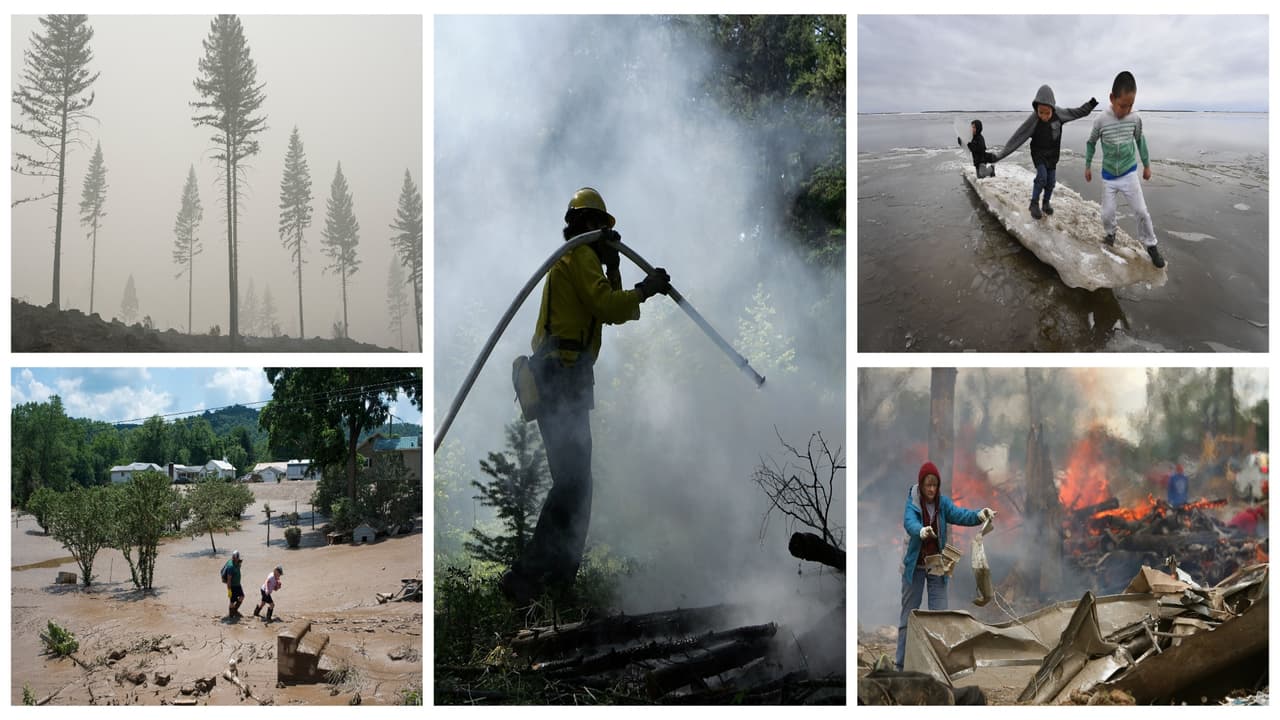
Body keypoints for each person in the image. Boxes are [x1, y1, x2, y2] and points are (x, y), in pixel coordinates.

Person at [499, 187, 671, 605]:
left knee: (579, 485)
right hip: (560, 377)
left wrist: (613, 267)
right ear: (585, 225)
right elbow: (610, 307)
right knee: (573, 482)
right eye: (599, 226)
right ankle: (526, 578)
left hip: (569, 379)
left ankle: (558, 583)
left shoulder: (586, 260)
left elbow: (605, 310)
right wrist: (645, 288)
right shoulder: (576, 257)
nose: (603, 233)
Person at [896, 461, 993, 670]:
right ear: (920, 485)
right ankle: (900, 666)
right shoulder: (912, 503)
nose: (931, 489)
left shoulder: (943, 504)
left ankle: (939, 666)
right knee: (908, 617)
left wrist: (979, 515)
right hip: (914, 568)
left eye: (934, 485)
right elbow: (909, 522)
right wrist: (921, 531)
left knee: (939, 617)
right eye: (927, 485)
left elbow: (961, 515)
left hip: (937, 566)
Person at [1084, 71, 1165, 268]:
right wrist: (1087, 165)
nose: (1126, 109)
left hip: (1129, 173)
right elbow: (1091, 142)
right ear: (1112, 98)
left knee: (1141, 212)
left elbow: (1140, 141)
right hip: (1109, 176)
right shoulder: (1101, 120)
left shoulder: (1135, 118)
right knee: (1107, 213)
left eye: (1131, 105)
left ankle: (1151, 245)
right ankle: (1110, 234)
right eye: (1122, 105)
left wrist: (1146, 165)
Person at [990, 85, 1098, 219]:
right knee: (1042, 178)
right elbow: (1017, 137)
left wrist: (1090, 105)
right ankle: (1033, 203)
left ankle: (1046, 203)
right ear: (1036, 109)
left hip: (1052, 156)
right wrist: (998, 156)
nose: (1044, 116)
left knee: (1051, 182)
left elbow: (1076, 112)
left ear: (1053, 108)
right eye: (1041, 112)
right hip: (1038, 153)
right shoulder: (1034, 119)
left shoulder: (1060, 114)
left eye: (1047, 113)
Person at [222, 550, 245, 618]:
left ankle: (235, 611)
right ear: (233, 558)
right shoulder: (230, 567)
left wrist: (239, 564)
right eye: (234, 558)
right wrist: (229, 590)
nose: (236, 559)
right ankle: (231, 615)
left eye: (237, 558)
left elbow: (239, 566)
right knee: (232, 602)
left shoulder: (237, 562)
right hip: (232, 586)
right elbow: (229, 580)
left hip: (238, 584)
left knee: (242, 597)